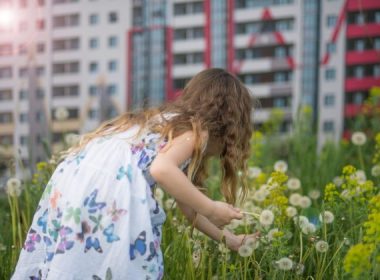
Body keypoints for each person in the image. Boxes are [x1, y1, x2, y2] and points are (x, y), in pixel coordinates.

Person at [11, 68, 256, 280]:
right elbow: (161, 170)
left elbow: (190, 209)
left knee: (78, 258)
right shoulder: (196, 132)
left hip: (76, 181)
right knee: (121, 266)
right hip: (111, 188)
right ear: (229, 123)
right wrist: (212, 208)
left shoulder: (166, 124)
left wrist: (230, 240)